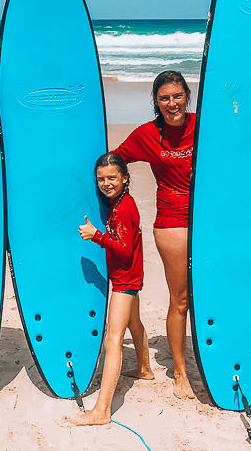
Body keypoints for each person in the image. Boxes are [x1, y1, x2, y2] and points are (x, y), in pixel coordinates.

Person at [111, 70, 251, 400]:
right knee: (180, 300)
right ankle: (180, 372)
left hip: (212, 222)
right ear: (155, 101)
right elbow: (113, 161)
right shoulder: (148, 136)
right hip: (172, 223)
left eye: (177, 96)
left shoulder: (205, 126)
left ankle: (222, 352)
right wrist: (114, 197)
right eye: (164, 98)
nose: (171, 103)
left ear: (187, 97)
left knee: (219, 293)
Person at [69, 153, 153, 426]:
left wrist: (97, 237)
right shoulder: (119, 204)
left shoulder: (124, 208)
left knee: (112, 340)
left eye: (112, 178)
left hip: (125, 280)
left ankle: (102, 410)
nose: (106, 183)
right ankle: (144, 368)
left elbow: (125, 250)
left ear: (125, 178)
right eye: (101, 179)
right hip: (129, 276)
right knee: (134, 324)